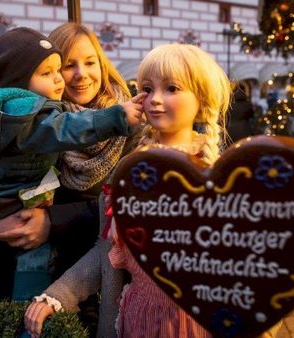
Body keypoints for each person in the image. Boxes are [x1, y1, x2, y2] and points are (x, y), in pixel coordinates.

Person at [25, 43, 232, 337]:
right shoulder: (127, 172)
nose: (156, 100)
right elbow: (108, 252)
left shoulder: (218, 178)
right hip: (135, 320)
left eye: (172, 88)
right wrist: (58, 295)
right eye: (148, 88)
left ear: (201, 98)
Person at [0, 27, 144, 309]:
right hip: (16, 275)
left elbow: (127, 208)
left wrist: (53, 220)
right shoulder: (25, 117)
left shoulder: (131, 125)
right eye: (68, 65)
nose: (81, 74)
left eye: (90, 62)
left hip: (92, 289)